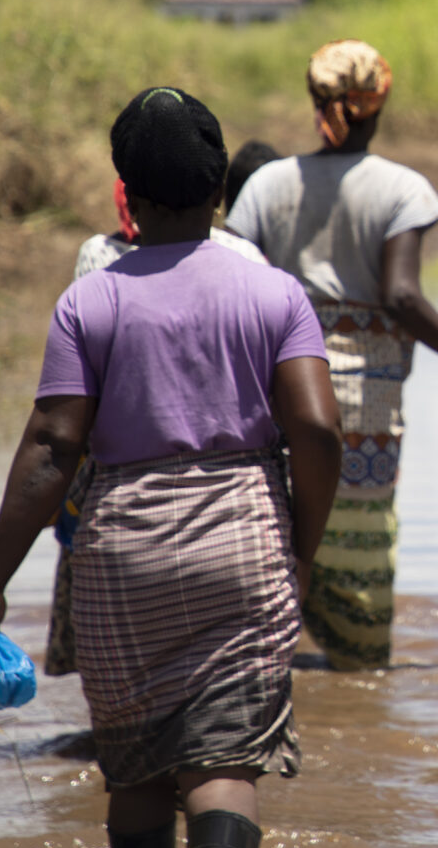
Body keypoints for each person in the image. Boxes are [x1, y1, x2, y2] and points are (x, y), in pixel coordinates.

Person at [0, 87, 343, 848]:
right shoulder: (274, 293)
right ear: (219, 194)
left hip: (121, 548)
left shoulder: (89, 303)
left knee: (135, 769)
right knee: (226, 761)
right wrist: (299, 549)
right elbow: (317, 431)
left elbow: (52, 445)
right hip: (244, 537)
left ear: (125, 195)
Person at [225, 40, 438, 671]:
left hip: (277, 393)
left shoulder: (264, 186)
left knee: (273, 542)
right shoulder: (402, 190)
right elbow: (399, 295)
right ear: (377, 107)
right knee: (360, 560)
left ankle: (265, 672)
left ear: (319, 103)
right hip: (364, 408)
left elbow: (231, 279)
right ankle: (357, 672)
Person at [43, 146, 281, 678]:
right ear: (215, 194)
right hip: (236, 512)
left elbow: (65, 421)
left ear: (132, 195)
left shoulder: (97, 261)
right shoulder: (250, 263)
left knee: (125, 691)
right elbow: (298, 413)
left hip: (120, 506)